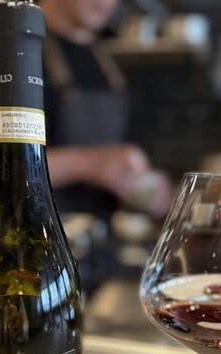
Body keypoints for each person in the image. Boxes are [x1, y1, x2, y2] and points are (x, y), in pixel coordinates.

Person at [40, 0, 171, 222]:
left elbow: (129, 147)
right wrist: (90, 164)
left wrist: (145, 187)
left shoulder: (109, 64)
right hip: (47, 231)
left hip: (105, 231)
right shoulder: (20, 55)